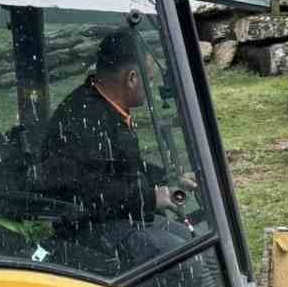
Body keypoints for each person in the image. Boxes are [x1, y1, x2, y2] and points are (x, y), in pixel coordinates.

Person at [41, 28, 195, 270]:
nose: (152, 86)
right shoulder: (86, 119)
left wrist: (168, 177)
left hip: (113, 218)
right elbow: (93, 192)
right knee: (187, 260)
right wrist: (151, 197)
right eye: (150, 79)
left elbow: (123, 167)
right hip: (87, 229)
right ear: (132, 78)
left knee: (193, 242)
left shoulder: (105, 107)